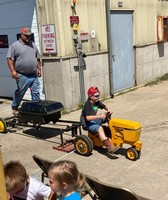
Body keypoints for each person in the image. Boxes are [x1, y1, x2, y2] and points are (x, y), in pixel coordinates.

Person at [7, 27, 42, 116]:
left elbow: (37, 57)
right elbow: (10, 59)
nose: (28, 38)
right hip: (22, 75)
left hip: (33, 74)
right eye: (26, 36)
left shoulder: (32, 44)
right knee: (20, 92)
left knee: (36, 91)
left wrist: (39, 69)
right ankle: (15, 108)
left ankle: (36, 109)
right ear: (21, 35)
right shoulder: (15, 46)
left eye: (30, 36)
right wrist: (13, 71)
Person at [80, 86, 118, 155]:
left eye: (99, 95)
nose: (98, 97)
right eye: (96, 96)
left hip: (93, 121)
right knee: (100, 128)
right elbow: (88, 118)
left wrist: (108, 110)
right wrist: (99, 116)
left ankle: (110, 136)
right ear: (90, 96)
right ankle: (109, 147)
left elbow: (104, 106)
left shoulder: (96, 102)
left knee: (106, 117)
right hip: (87, 123)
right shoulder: (87, 105)